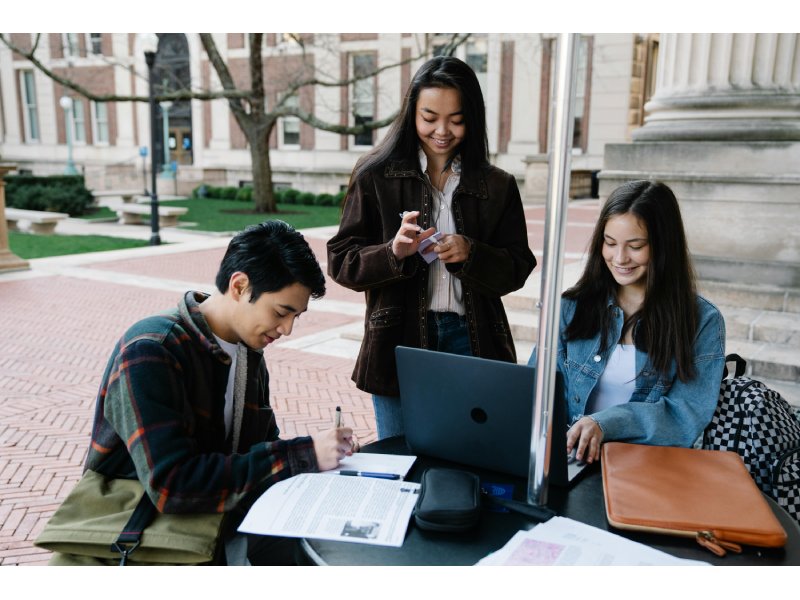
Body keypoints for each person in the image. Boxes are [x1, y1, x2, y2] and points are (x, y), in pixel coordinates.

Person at [65, 220, 354, 565]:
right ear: (240, 285)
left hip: (216, 531)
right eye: (281, 312)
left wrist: (321, 457)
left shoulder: (248, 353)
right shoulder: (152, 350)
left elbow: (258, 448)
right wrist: (302, 454)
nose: (287, 329)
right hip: (144, 543)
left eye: (297, 316)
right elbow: (171, 485)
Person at [327, 56, 536, 439]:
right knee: (401, 459)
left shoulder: (498, 185)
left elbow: (518, 265)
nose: (442, 130)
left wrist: (472, 254)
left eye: (456, 119)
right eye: (429, 117)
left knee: (473, 453)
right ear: (411, 113)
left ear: (473, 116)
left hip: (472, 339)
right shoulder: (375, 174)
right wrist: (394, 252)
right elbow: (342, 260)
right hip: (398, 341)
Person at [531, 180, 725, 464]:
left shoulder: (701, 321)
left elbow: (685, 413)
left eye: (635, 246)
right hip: (571, 460)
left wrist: (607, 423)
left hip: (648, 466)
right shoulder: (571, 307)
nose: (619, 258)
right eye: (610, 243)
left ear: (664, 246)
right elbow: (538, 388)